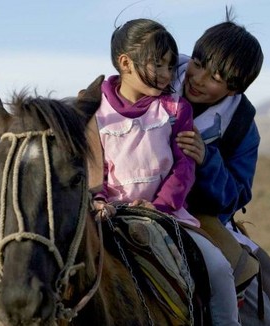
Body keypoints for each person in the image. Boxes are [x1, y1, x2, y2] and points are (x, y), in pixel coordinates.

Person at [90, 18, 241, 326]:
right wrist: (98, 198)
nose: (166, 75)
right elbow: (94, 165)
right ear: (125, 63)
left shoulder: (175, 110)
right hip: (109, 216)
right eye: (157, 65)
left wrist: (159, 206)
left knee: (218, 268)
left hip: (167, 215)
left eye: (171, 67)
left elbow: (184, 167)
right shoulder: (94, 113)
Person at [174, 8, 270, 325]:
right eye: (198, 64)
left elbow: (236, 195)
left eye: (215, 79)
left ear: (234, 89)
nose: (198, 79)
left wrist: (207, 160)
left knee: (250, 295)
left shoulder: (241, 128)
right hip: (123, 198)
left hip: (199, 218)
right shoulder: (156, 72)